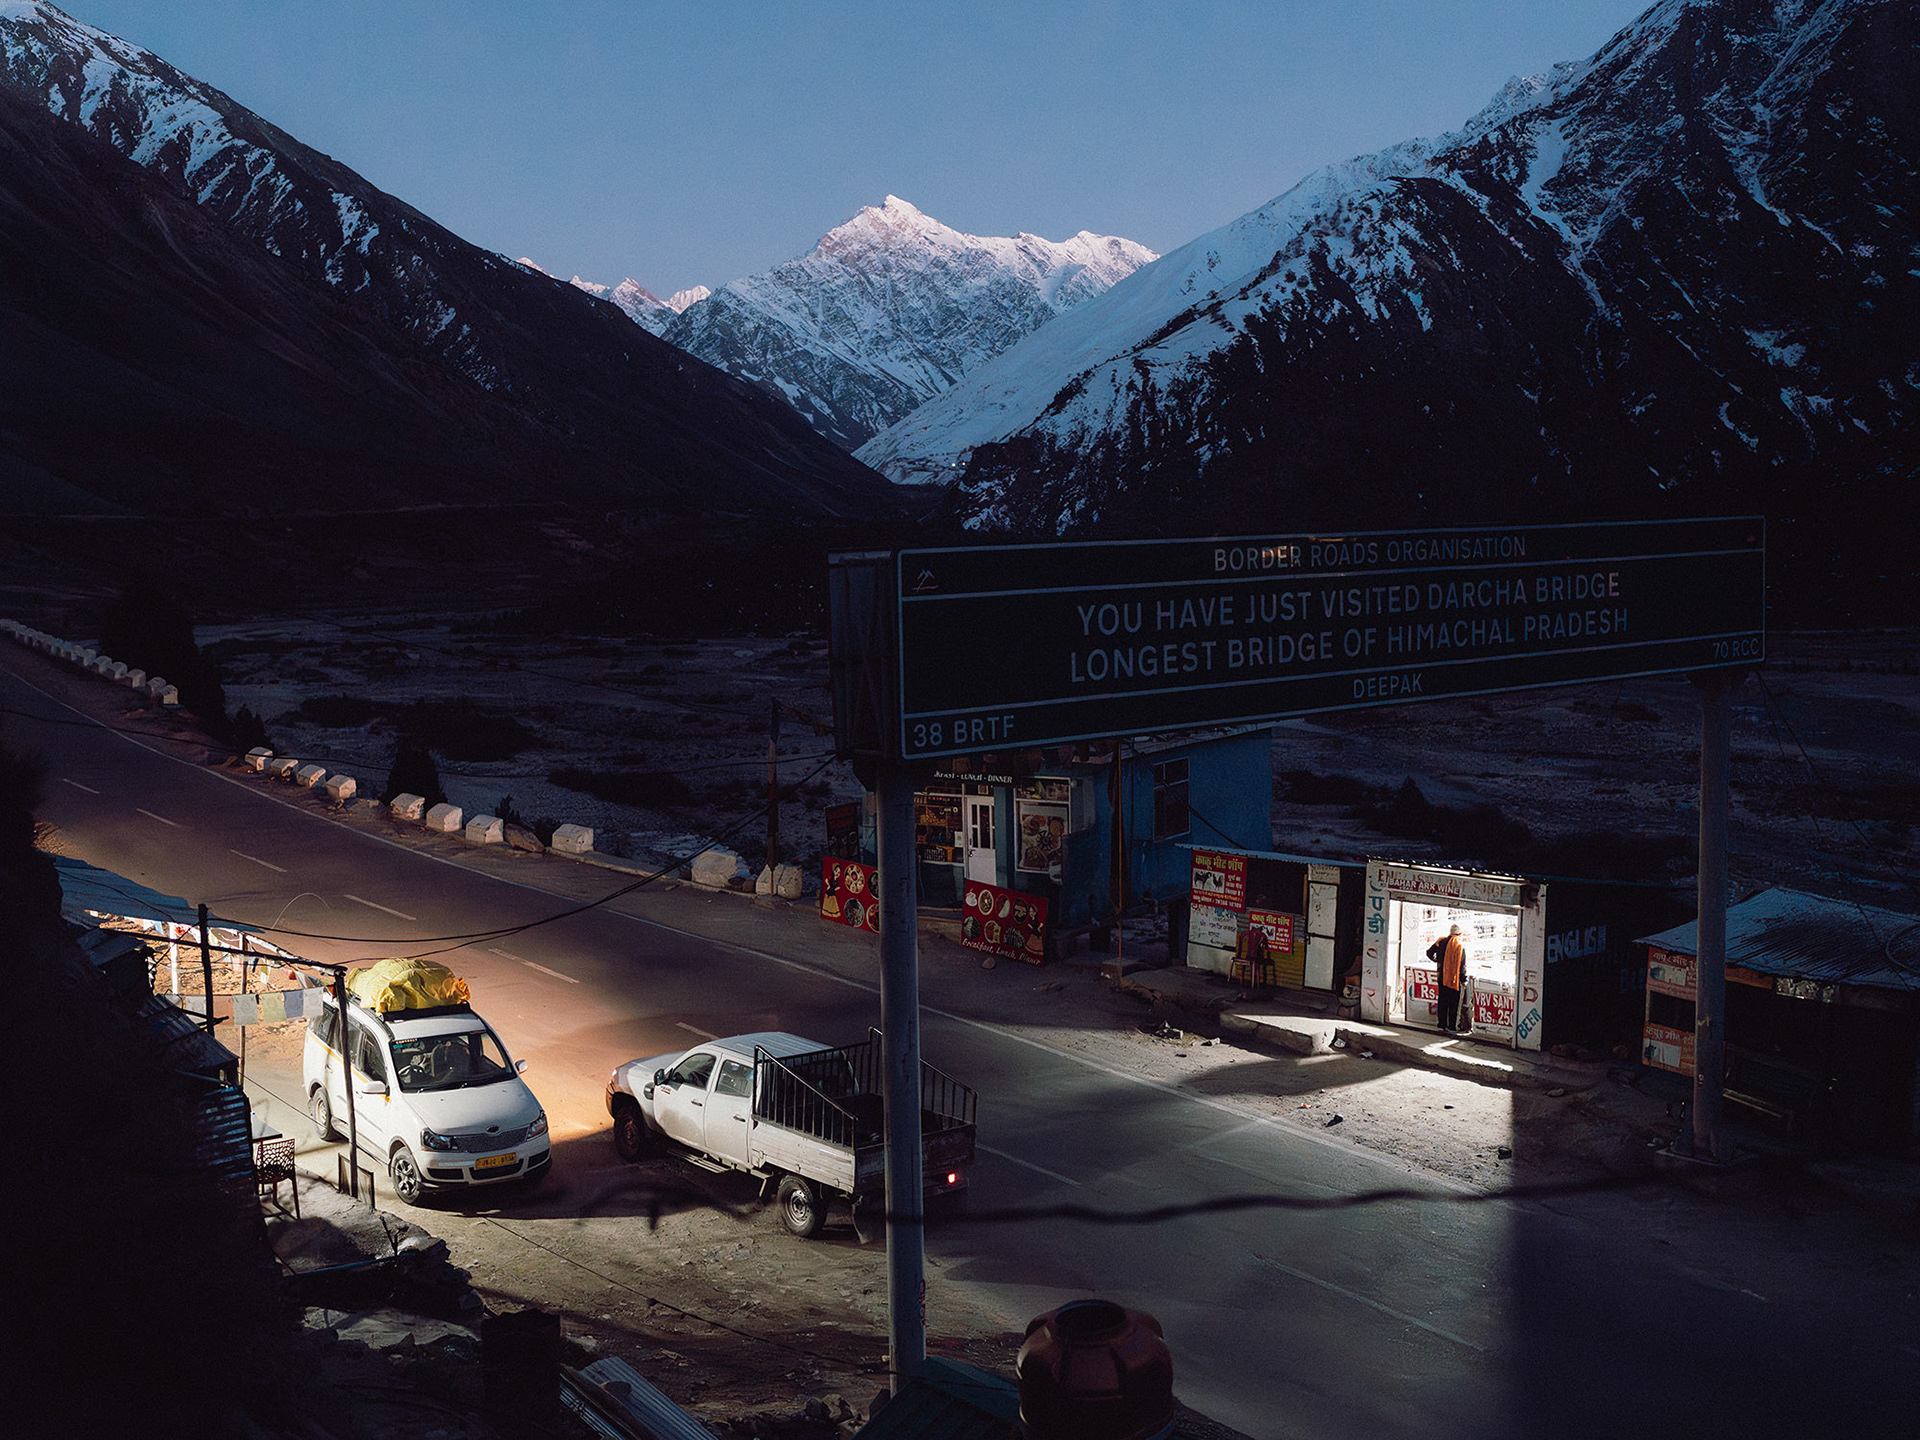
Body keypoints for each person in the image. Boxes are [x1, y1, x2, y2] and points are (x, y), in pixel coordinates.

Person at [1427, 924, 1467, 1033]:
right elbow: (1462, 965)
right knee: (1454, 1003)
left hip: (1442, 977)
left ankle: (1441, 1025)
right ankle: (1452, 1027)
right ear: (1459, 934)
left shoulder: (1441, 941)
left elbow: (1429, 953)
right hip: (1454, 979)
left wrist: (1438, 962)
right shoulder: (1459, 945)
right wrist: (1464, 980)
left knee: (1442, 1001)